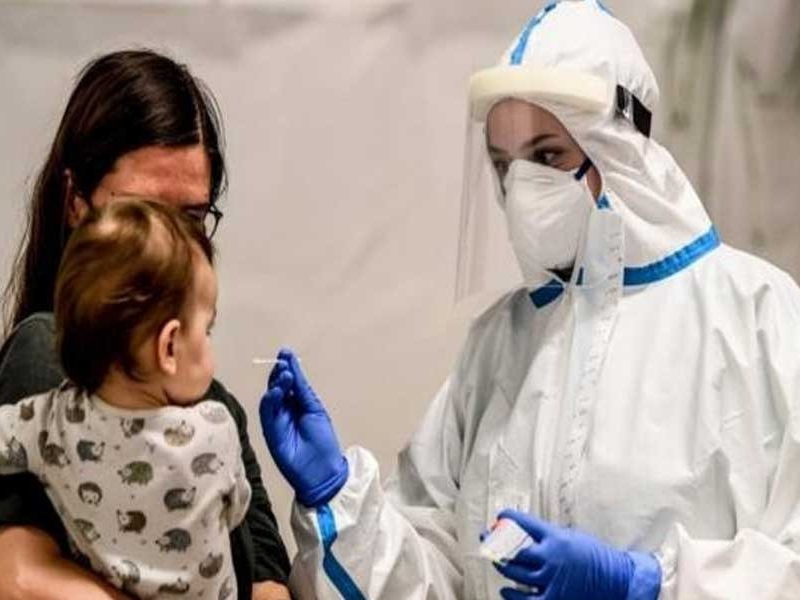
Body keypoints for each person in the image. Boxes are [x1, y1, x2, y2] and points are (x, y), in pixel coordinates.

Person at [258, 2, 800, 599]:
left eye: (546, 157)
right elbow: (438, 573)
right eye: (503, 164)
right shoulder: (501, 343)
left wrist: (647, 584)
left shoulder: (757, 317)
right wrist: (339, 501)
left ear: (620, 150)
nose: (520, 188)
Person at [0, 50, 291, 600]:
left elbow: (268, 583)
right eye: (142, 211)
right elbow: (15, 583)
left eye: (192, 217)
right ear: (76, 203)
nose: (173, 246)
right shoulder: (50, 354)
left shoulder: (219, 413)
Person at [0, 200, 250, 598]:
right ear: (169, 347)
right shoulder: (216, 428)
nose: (210, 347)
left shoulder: (49, 423)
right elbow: (237, 507)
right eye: (207, 331)